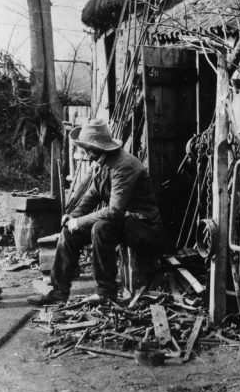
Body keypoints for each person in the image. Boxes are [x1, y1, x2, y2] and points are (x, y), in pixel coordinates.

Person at [29, 119, 163, 306]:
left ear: (95, 148)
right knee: (69, 233)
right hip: (124, 221)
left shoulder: (123, 166)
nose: (84, 152)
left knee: (101, 228)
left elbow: (115, 211)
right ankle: (59, 292)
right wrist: (73, 217)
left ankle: (105, 293)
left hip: (143, 226)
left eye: (85, 148)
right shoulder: (102, 163)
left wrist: (81, 222)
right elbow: (91, 196)